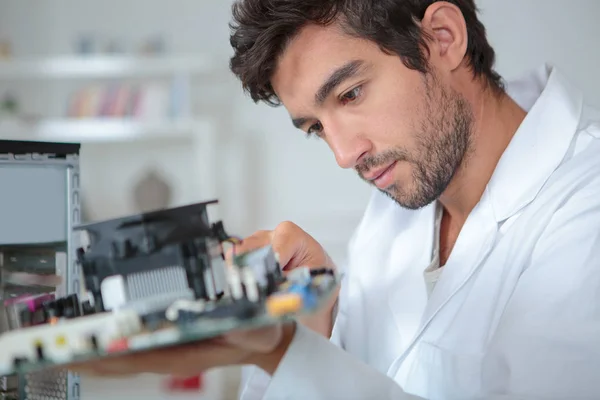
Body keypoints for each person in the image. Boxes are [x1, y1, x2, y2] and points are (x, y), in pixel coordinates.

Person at [72, 0, 600, 399]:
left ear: (443, 37)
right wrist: (314, 324)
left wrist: (288, 354)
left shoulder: (585, 209)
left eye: (350, 94)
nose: (345, 154)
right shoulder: (398, 206)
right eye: (316, 128)